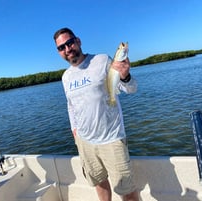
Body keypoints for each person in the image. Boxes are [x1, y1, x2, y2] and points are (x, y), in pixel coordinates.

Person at [53, 28, 140, 201]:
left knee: (127, 192)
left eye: (69, 43)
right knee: (99, 184)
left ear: (78, 41)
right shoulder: (66, 77)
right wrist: (74, 130)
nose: (67, 49)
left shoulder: (101, 60)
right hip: (85, 142)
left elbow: (131, 89)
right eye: (61, 47)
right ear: (59, 52)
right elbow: (71, 105)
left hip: (112, 139)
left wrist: (125, 75)